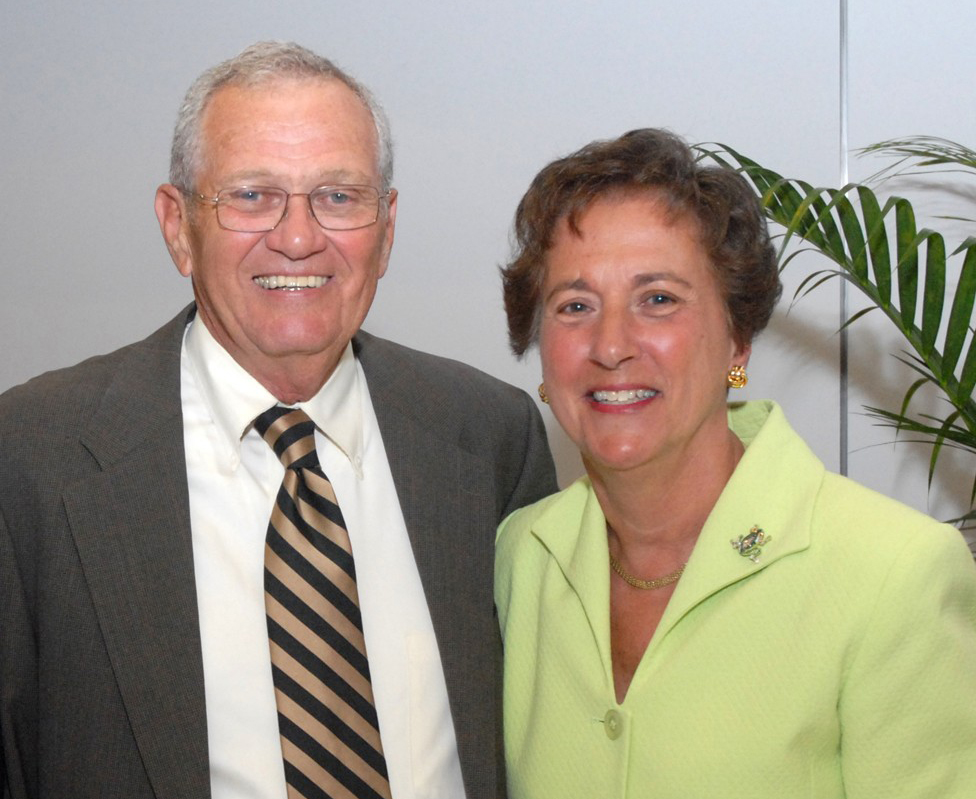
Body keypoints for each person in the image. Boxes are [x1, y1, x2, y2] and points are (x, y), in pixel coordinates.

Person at [0, 41, 555, 799]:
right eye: (253, 195)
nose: (297, 237)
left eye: (338, 195)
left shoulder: (490, 436)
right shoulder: (31, 458)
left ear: (386, 228)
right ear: (177, 226)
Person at [495, 128, 976, 798]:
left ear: (738, 339)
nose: (610, 345)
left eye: (657, 298)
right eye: (575, 305)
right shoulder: (521, 557)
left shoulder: (895, 572)